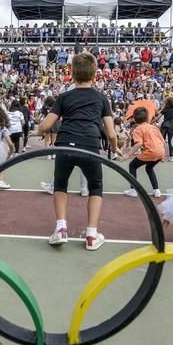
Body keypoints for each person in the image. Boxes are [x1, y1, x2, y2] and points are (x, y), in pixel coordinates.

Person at [37, 52, 118, 251]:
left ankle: (61, 229)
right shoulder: (101, 98)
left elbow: (46, 125)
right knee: (95, 187)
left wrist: (38, 131)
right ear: (95, 74)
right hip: (90, 145)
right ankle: (91, 235)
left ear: (72, 73)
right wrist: (115, 150)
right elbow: (111, 134)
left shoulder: (64, 97)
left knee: (60, 185)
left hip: (65, 144)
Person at [120, 106, 165, 198]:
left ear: (135, 119)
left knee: (132, 165)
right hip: (161, 151)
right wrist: (160, 155)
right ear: (147, 117)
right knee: (149, 168)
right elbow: (163, 141)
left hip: (151, 151)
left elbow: (138, 144)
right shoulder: (154, 128)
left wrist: (127, 155)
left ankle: (133, 190)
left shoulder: (137, 129)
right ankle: (157, 190)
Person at [159, 97, 173, 161]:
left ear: (167, 102)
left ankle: (162, 157)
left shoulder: (165, 109)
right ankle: (171, 156)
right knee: (170, 142)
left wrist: (150, 122)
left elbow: (158, 117)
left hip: (164, 126)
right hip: (171, 126)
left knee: (162, 141)